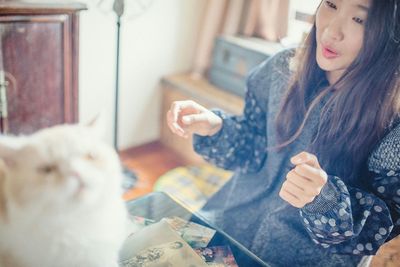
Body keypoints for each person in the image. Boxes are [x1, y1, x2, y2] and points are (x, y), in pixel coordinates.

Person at [167, 0, 400, 266]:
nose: (331, 31)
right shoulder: (282, 67)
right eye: (332, 4)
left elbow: (381, 226)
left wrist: (324, 200)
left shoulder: (392, 123)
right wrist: (215, 127)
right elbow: (254, 149)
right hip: (226, 228)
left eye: (360, 20)